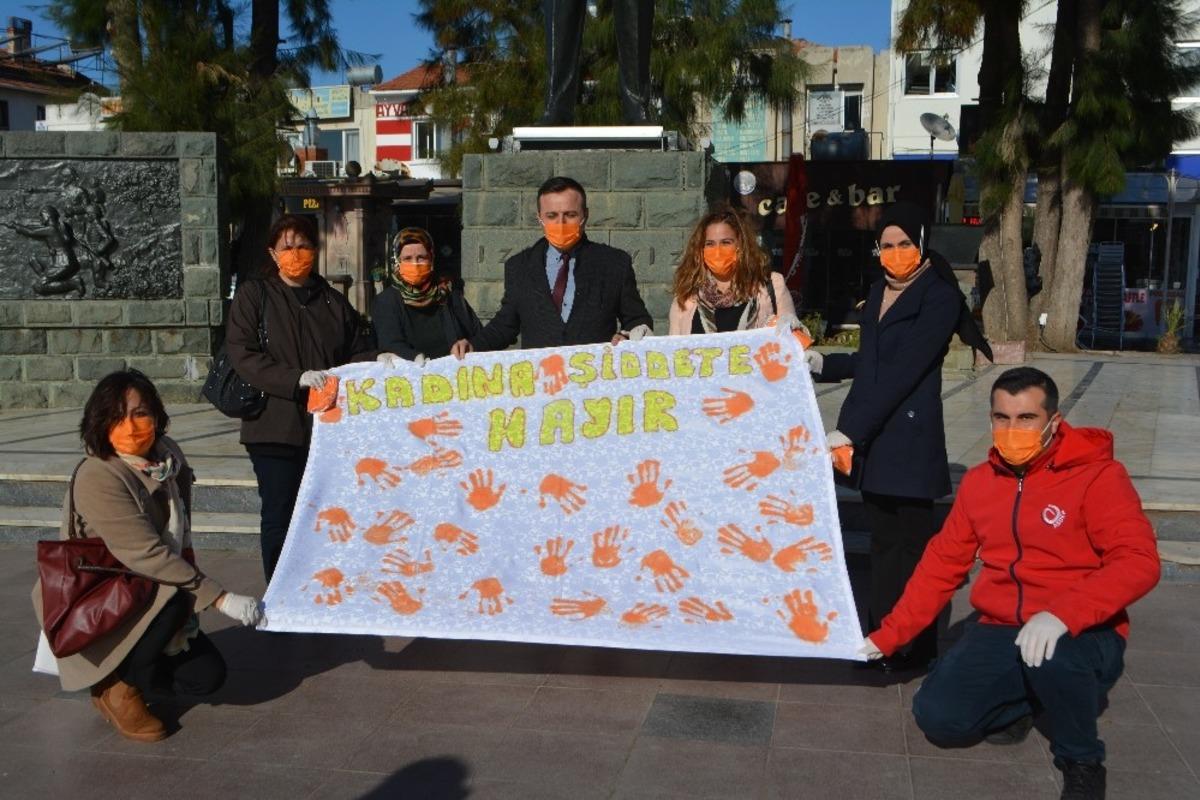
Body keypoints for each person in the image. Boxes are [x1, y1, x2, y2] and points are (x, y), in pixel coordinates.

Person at [861, 367, 1159, 800]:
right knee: (939, 717)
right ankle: (1029, 695)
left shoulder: (1098, 476)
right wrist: (889, 636)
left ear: (1053, 422)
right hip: (1003, 625)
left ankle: (1083, 760)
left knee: (1052, 659)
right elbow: (942, 563)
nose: (1012, 429)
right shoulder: (981, 483)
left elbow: (1138, 560)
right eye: (1002, 418)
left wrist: (1063, 614)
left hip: (1082, 630)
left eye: (1026, 419)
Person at [31, 370, 264, 743]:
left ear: (156, 414)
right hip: (106, 592)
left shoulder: (168, 456)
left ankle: (140, 669)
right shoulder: (99, 474)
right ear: (98, 422)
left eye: (141, 412)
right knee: (173, 596)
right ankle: (116, 684)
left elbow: (178, 536)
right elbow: (147, 554)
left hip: (148, 586)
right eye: (117, 415)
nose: (131, 424)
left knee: (206, 677)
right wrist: (219, 598)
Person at [811, 201, 985, 672]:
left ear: (921, 244)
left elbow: (904, 370)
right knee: (885, 548)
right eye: (886, 245)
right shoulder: (879, 289)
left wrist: (850, 429)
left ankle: (910, 647)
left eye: (903, 244)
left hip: (907, 440)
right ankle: (880, 641)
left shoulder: (939, 297)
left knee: (910, 552)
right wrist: (825, 363)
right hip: (877, 443)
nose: (895, 253)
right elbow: (872, 361)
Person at [226, 214, 377, 580]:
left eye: (303, 246)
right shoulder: (254, 295)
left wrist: (377, 362)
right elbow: (243, 355)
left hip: (325, 430)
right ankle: (281, 594)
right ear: (273, 253)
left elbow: (355, 350)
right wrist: (296, 380)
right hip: (273, 428)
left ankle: (318, 586)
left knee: (322, 514)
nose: (295, 254)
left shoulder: (330, 300)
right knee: (280, 515)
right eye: (287, 247)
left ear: (315, 249)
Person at [451, 176, 653, 357]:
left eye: (570, 214)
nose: (561, 222)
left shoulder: (614, 263)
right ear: (539, 218)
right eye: (552, 215)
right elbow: (505, 325)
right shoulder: (519, 266)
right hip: (543, 385)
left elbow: (637, 319)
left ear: (585, 216)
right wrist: (473, 345)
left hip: (595, 384)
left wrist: (630, 337)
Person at [668, 207, 801, 335]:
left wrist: (792, 329)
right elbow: (673, 350)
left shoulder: (770, 285)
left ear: (741, 245)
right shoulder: (685, 297)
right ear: (700, 250)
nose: (718, 250)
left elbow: (793, 339)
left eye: (726, 242)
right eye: (709, 244)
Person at [371, 227, 482, 363]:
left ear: (431, 258)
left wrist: (469, 344)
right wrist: (414, 357)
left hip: (454, 376)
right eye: (407, 258)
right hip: (412, 378)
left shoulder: (448, 295)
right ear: (397, 262)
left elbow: (477, 333)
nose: (415, 264)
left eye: (421, 257)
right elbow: (389, 343)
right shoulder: (386, 301)